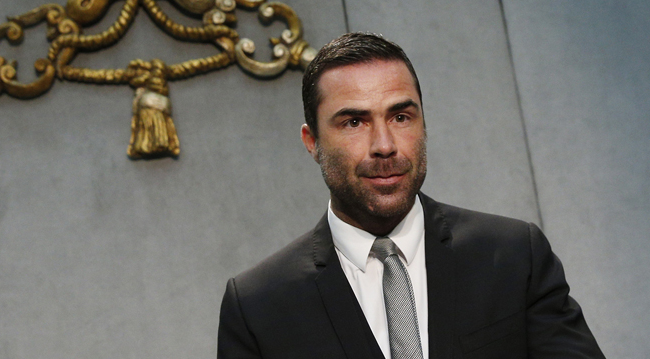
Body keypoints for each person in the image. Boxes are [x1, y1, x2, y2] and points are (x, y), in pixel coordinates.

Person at [217, 32, 604, 359]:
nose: (385, 146)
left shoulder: (515, 256)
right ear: (312, 142)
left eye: (401, 117)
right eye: (354, 122)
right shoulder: (258, 307)